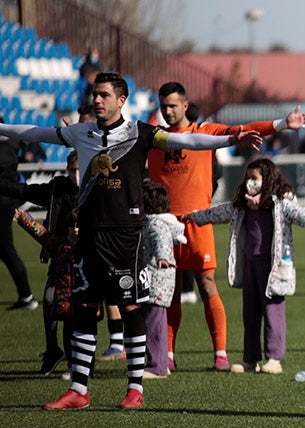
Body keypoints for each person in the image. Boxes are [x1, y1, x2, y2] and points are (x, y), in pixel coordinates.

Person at [0, 72, 262, 410]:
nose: (97, 100)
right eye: (95, 94)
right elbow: (34, 132)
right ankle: (79, 389)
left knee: (131, 307)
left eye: (104, 95)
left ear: (121, 101)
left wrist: (231, 139)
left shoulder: (141, 133)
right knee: (83, 309)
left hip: (125, 236)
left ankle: (135, 388)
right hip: (89, 235)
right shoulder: (81, 133)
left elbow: (188, 141)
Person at [148, 81, 305, 373]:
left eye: (173, 105)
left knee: (207, 284)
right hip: (162, 226)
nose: (168, 111)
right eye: (164, 106)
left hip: (197, 222)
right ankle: (168, 354)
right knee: (167, 292)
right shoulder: (152, 137)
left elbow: (243, 129)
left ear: (185, 105)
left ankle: (221, 354)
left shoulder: (204, 132)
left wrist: (281, 124)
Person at [183, 158, 305, 374]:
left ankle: (274, 358)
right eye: (247, 178)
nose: (250, 183)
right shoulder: (241, 205)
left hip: (274, 266)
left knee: (273, 312)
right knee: (250, 314)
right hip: (249, 265)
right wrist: (195, 217)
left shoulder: (281, 204)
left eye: (254, 178)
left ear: (268, 179)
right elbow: (218, 212)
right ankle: (250, 359)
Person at [0, 151, 79, 372]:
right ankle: (53, 350)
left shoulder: (96, 190)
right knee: (49, 300)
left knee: (73, 310)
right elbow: (24, 190)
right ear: (67, 169)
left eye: (81, 170)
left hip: (85, 259)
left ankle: (77, 360)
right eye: (73, 170)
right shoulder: (57, 189)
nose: (77, 175)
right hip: (60, 255)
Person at [13, 203, 77, 376]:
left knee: (81, 332)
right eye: (73, 226)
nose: (77, 230)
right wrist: (25, 219)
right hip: (65, 296)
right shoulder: (61, 245)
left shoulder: (90, 246)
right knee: (68, 328)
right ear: (68, 227)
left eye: (80, 226)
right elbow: (42, 235)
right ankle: (72, 364)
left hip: (84, 296)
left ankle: (83, 366)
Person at [140, 180, 187, 379]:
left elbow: (162, 242)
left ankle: (157, 365)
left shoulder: (156, 224)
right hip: (156, 279)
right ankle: (158, 363)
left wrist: (163, 258)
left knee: (153, 324)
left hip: (156, 280)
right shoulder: (157, 222)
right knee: (154, 322)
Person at [0, 116, 38, 311]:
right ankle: (26, 296)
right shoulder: (11, 143)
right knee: (5, 249)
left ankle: (27, 296)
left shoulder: (5, 149)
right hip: (7, 201)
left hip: (3, 202)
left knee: (6, 249)